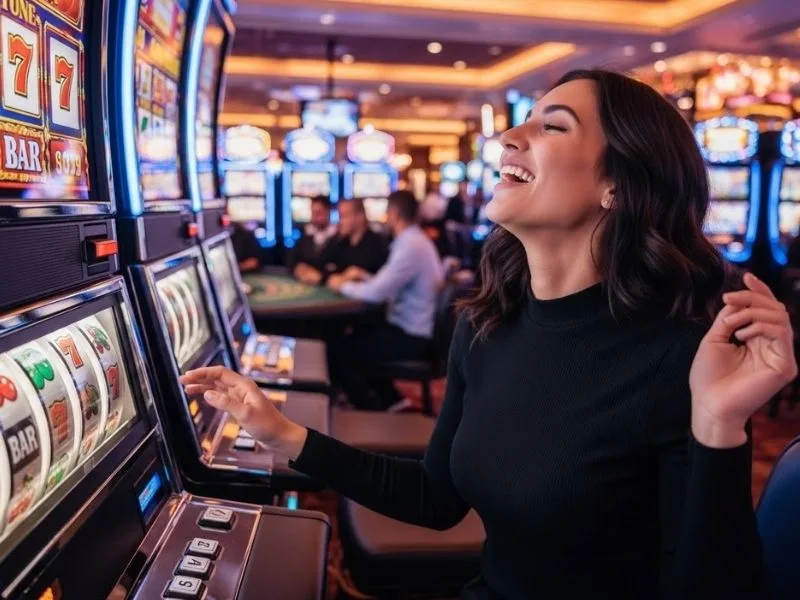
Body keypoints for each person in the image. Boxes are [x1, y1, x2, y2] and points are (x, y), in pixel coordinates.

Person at [181, 69, 796, 599]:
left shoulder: (679, 358)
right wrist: (281, 432)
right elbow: (435, 498)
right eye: (521, 122)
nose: (508, 136)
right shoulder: (484, 324)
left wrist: (719, 427)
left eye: (552, 126)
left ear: (619, 185)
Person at [323, 190, 443, 410]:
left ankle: (372, 412)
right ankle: (392, 401)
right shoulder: (413, 240)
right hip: (412, 327)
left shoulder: (410, 246)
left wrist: (342, 285)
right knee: (354, 336)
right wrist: (365, 276)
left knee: (337, 353)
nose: (385, 218)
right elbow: (390, 284)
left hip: (413, 336)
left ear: (395, 214)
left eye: (387, 213)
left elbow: (377, 293)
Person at [322, 198, 389, 281]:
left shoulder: (378, 243)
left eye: (344, 216)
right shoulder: (340, 241)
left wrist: (361, 275)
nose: (340, 222)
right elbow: (322, 264)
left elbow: (384, 281)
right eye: (340, 217)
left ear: (360, 217)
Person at [288, 195, 338, 285]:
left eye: (319, 213)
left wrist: (321, 275)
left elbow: (343, 268)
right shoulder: (306, 234)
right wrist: (298, 268)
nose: (315, 217)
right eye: (313, 213)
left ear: (328, 211)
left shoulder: (339, 236)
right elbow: (291, 261)